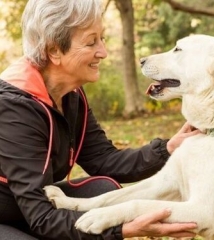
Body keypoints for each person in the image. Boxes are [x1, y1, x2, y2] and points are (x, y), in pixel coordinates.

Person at [0, 0, 200, 239]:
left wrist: (169, 148)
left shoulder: (70, 95)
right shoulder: (14, 109)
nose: (103, 52)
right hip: (19, 215)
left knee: (102, 189)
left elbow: (105, 161)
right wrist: (121, 229)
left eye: (102, 38)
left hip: (30, 211)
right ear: (54, 50)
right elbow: (42, 217)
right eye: (91, 41)